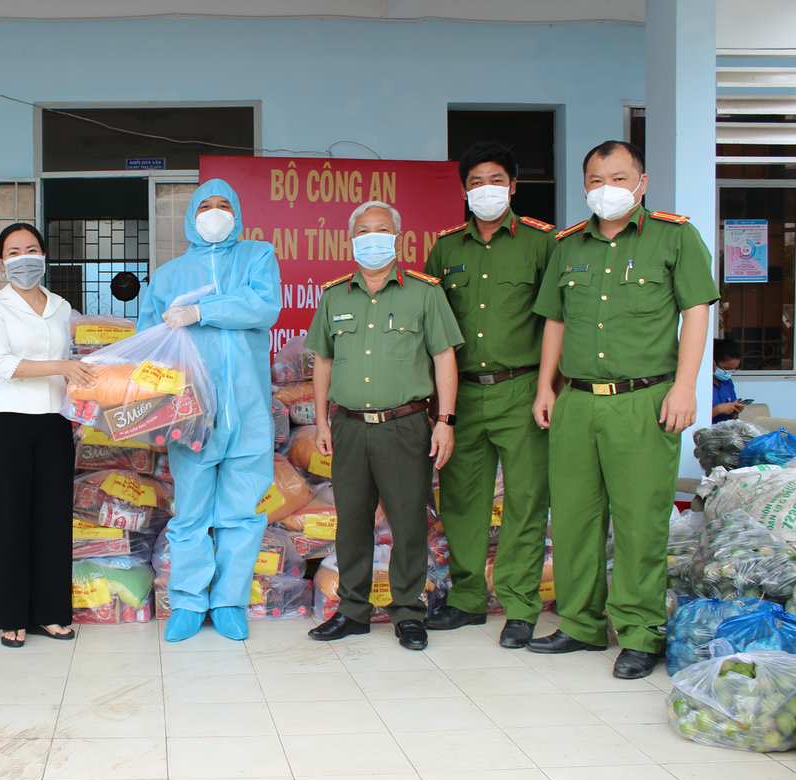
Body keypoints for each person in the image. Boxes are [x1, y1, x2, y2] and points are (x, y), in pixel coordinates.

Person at [529, 140, 718, 679]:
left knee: (638, 520)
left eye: (617, 177)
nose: (605, 188)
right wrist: (547, 386)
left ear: (641, 181)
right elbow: (555, 321)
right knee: (573, 518)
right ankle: (581, 625)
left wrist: (686, 387)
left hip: (645, 401)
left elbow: (697, 311)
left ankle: (639, 632)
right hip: (578, 402)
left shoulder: (674, 236)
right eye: (595, 179)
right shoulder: (569, 245)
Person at [305, 201, 463, 651]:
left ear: (397, 237)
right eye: (363, 230)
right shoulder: (335, 295)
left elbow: (444, 357)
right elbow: (324, 361)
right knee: (351, 522)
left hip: (405, 425)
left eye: (381, 229)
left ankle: (409, 612)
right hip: (349, 427)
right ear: (351, 239)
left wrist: (445, 421)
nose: (371, 237)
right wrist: (321, 422)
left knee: (408, 522)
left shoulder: (424, 292)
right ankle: (353, 611)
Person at [423, 142, 555, 649]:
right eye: (476, 182)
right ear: (463, 190)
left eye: (496, 180)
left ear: (514, 185)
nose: (486, 190)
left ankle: (520, 608)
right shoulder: (446, 248)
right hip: (462, 394)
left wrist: (548, 387)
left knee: (524, 500)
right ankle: (467, 600)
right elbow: (432, 328)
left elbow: (555, 323)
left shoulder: (543, 243)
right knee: (461, 500)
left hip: (522, 388)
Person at [137, 179, 281, 642]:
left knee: (242, 514)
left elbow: (262, 306)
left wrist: (201, 311)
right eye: (205, 206)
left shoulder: (257, 257)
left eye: (224, 205)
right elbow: (149, 343)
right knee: (191, 513)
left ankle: (228, 602)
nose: (214, 213)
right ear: (190, 217)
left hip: (249, 412)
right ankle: (188, 601)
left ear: (237, 213)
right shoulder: (168, 275)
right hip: (189, 413)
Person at [0, 223, 95, 648]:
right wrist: (63, 368)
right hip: (9, 421)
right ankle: (11, 617)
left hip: (54, 422)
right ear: (2, 260)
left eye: (31, 249)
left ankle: (51, 613)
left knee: (52, 519)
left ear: (44, 256)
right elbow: (4, 365)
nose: (23, 257)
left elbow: (72, 363)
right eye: (13, 251)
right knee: (10, 521)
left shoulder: (62, 307)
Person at [711, 339, 744, 423]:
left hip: (725, 430)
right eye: (727, 369)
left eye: (733, 370)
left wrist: (734, 410)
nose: (729, 373)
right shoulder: (700, 383)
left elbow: (733, 419)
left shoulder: (727, 383)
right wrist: (718, 410)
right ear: (713, 363)